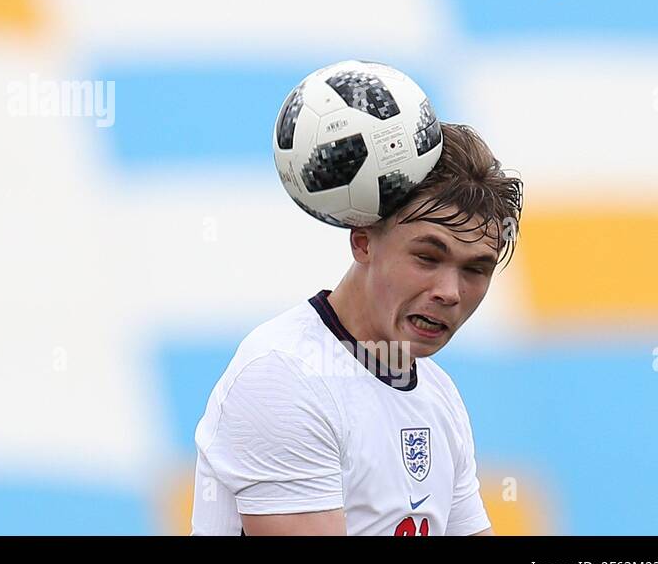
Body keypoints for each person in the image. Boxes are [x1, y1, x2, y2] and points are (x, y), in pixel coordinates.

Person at [191, 122, 523, 535]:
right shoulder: (284, 375)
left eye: (476, 269)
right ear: (362, 241)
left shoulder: (440, 396)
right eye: (427, 257)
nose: (450, 292)